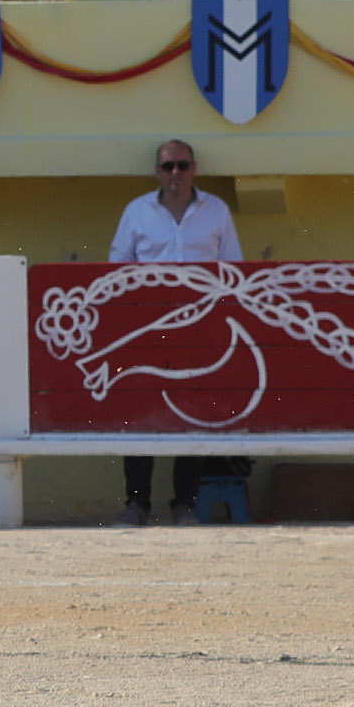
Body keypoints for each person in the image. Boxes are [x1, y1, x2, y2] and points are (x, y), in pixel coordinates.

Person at [108, 139, 243, 528]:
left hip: (201, 326)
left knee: (192, 413)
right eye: (168, 167)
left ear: (194, 169)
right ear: (157, 172)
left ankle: (185, 502)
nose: (175, 174)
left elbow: (233, 269)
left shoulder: (216, 211)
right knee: (139, 415)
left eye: (182, 166)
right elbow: (118, 269)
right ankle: (138, 504)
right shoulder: (137, 212)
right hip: (147, 325)